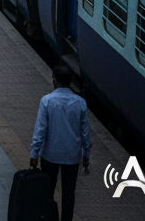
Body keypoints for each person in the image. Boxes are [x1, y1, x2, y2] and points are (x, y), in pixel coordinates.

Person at [30, 64, 92, 221]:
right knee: (69, 193)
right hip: (72, 156)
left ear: (54, 81)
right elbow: (85, 133)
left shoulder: (47, 101)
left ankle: (48, 217)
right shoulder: (80, 103)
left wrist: (34, 154)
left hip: (50, 155)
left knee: (48, 191)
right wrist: (86, 154)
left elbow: (40, 131)